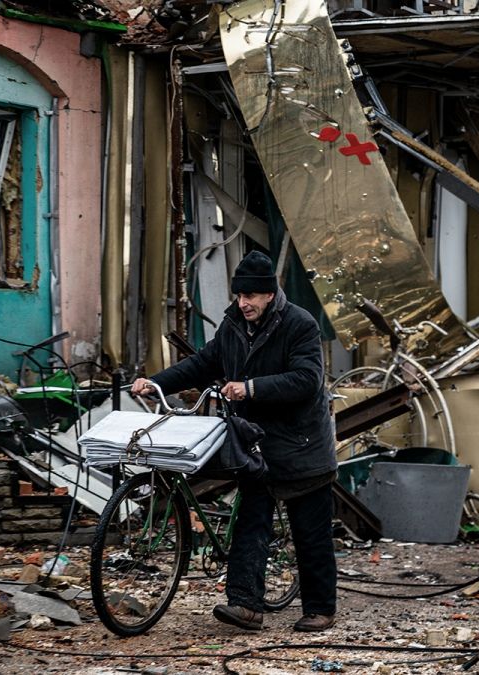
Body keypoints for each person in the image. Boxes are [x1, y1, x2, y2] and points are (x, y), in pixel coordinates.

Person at [131, 250, 338, 632]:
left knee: (310, 531)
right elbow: (201, 364)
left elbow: (307, 379)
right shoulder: (232, 327)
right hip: (256, 444)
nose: (243, 303)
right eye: (239, 296)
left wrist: (251, 388)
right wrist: (156, 381)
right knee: (251, 522)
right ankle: (246, 605)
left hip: (300, 444)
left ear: (270, 295)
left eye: (251, 297)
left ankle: (320, 608)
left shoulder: (300, 325)